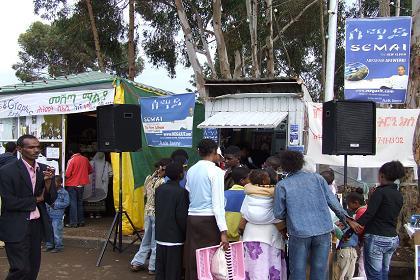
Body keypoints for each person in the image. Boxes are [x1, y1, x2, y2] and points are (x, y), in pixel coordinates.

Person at [273, 151, 360, 280]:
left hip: (299, 232)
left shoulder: (282, 185)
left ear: (285, 166)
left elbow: (279, 213)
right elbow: (334, 203)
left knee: (298, 270)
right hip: (323, 230)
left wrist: (292, 213)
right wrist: (347, 219)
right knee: (320, 269)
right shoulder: (318, 179)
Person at [0, 134, 56, 279]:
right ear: (19, 149)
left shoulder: (44, 170)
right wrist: (37, 199)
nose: (36, 150)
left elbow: (51, 200)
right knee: (20, 268)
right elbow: (10, 202)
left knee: (33, 268)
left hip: (36, 225)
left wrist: (49, 184)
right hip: (15, 225)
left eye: (38, 147)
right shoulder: (7, 171)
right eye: (31, 147)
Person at [184, 139, 228, 280]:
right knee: (210, 258)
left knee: (193, 255)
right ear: (215, 153)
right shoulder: (216, 172)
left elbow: (189, 190)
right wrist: (223, 231)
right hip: (209, 219)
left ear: (198, 152)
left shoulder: (191, 170)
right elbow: (218, 203)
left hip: (192, 217)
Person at [357, 161, 404, 280]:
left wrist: (354, 225)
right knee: (384, 272)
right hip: (392, 238)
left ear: (382, 175)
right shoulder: (398, 194)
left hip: (376, 237)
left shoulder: (380, 192)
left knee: (374, 275)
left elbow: (369, 214)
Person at [239, 169, 287, 280]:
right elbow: (278, 218)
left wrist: (240, 231)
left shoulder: (249, 194)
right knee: (271, 264)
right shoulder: (274, 195)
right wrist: (284, 232)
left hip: (250, 236)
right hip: (271, 236)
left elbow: (243, 215)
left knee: (253, 267)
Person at [131, 158, 171, 275]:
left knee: (146, 239)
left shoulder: (149, 178)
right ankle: (152, 267)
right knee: (155, 242)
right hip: (157, 214)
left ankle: (137, 262)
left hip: (147, 212)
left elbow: (144, 193)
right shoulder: (163, 182)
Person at [155, 162, 189, 280]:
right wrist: (186, 233)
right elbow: (181, 217)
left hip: (160, 236)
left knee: (160, 271)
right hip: (175, 238)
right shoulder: (182, 192)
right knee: (173, 272)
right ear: (181, 175)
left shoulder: (159, 189)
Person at [65, 144, 92, 227]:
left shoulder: (71, 160)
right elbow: (90, 170)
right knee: (80, 203)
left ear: (71, 151)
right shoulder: (85, 159)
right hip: (81, 184)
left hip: (72, 184)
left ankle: (73, 222)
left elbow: (67, 174)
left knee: (73, 203)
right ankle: (81, 221)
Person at [84, 152, 113, 218]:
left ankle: (90, 213)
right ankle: (98, 213)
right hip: (101, 186)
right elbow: (110, 173)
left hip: (90, 185)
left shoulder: (90, 163)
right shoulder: (106, 164)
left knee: (90, 198)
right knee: (100, 199)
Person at [224, 167, 250, 242]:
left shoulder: (224, 195)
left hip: (225, 237)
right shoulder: (248, 196)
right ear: (242, 181)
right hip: (242, 237)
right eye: (249, 179)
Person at [346, 189, 367, 279]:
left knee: (363, 265)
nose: (347, 207)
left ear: (356, 203)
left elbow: (359, 229)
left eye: (348, 204)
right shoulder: (365, 208)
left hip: (365, 242)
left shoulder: (360, 212)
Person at [45, 176, 69, 253]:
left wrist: (55, 204)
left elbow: (66, 203)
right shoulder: (50, 191)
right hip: (48, 214)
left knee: (57, 231)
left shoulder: (64, 192)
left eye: (54, 182)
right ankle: (49, 245)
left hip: (57, 215)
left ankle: (58, 246)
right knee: (49, 231)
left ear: (60, 183)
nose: (52, 184)